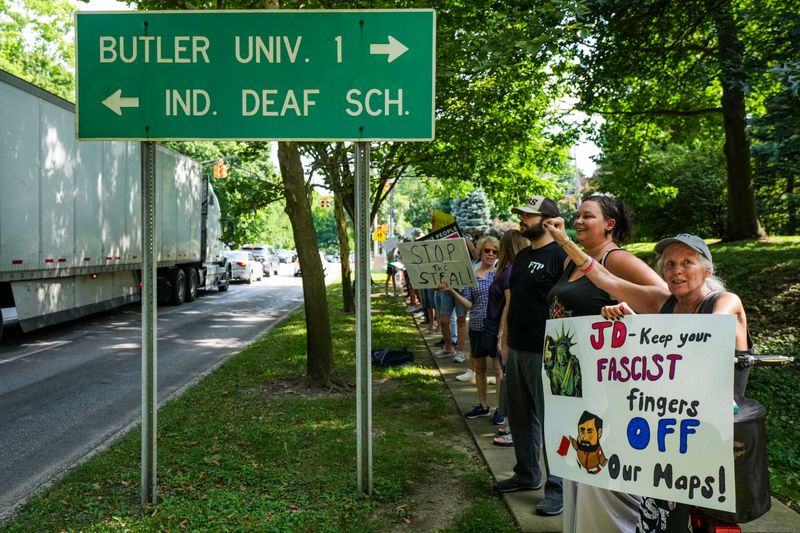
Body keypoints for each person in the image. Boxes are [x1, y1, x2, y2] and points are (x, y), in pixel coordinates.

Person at [598, 233, 751, 533]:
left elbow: (703, 334)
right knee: (663, 516)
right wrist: (630, 325)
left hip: (715, 440)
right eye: (669, 264)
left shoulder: (725, 302)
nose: (676, 270)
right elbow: (609, 283)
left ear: (707, 269)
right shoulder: (666, 304)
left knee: (709, 521)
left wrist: (644, 326)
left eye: (686, 262)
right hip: (670, 433)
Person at [542, 193, 669, 531]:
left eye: (588, 216)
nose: (579, 221)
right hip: (569, 378)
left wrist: (627, 315)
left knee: (596, 465)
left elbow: (664, 304)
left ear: (609, 225)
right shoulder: (574, 259)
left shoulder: (617, 259)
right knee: (573, 461)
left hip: (605, 381)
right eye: (578, 215)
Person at [493, 195, 567, 517]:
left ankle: (558, 488)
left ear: (549, 220)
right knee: (520, 419)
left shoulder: (561, 257)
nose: (522, 220)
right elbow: (514, 301)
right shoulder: (522, 257)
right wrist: (505, 338)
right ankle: (526, 474)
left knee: (552, 422)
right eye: (522, 215)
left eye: (529, 216)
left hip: (545, 351)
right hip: (518, 349)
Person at [439, 235, 500, 418]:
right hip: (476, 326)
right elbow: (469, 304)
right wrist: (451, 291)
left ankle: (501, 408)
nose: (491, 254)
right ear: (480, 252)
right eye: (487, 250)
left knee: (498, 370)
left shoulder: (500, 273)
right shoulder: (471, 276)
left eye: (495, 251)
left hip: (496, 328)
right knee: (479, 368)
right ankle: (483, 405)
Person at [490, 229, 531, 438]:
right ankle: (510, 423)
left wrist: (501, 335)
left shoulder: (509, 273)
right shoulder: (513, 270)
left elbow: (509, 304)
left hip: (510, 332)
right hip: (513, 332)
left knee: (511, 383)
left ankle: (512, 426)